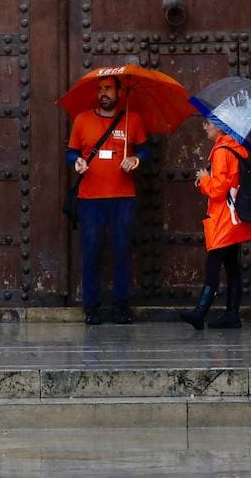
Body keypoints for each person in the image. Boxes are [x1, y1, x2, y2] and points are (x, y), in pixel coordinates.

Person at [66, 77, 147, 325]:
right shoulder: (82, 119)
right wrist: (76, 162)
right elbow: (71, 151)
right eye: (100, 89)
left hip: (123, 198)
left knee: (122, 252)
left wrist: (136, 160)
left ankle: (121, 306)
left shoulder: (132, 119)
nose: (103, 93)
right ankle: (91, 307)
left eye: (108, 89)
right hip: (90, 199)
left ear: (119, 92)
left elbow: (144, 149)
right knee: (91, 252)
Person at [180, 118, 251, 330]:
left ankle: (200, 313)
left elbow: (218, 190)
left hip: (223, 219)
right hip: (234, 220)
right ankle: (232, 314)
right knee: (232, 267)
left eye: (208, 123)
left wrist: (204, 179)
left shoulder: (222, 150)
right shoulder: (236, 148)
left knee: (213, 265)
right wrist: (206, 178)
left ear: (219, 126)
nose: (204, 127)